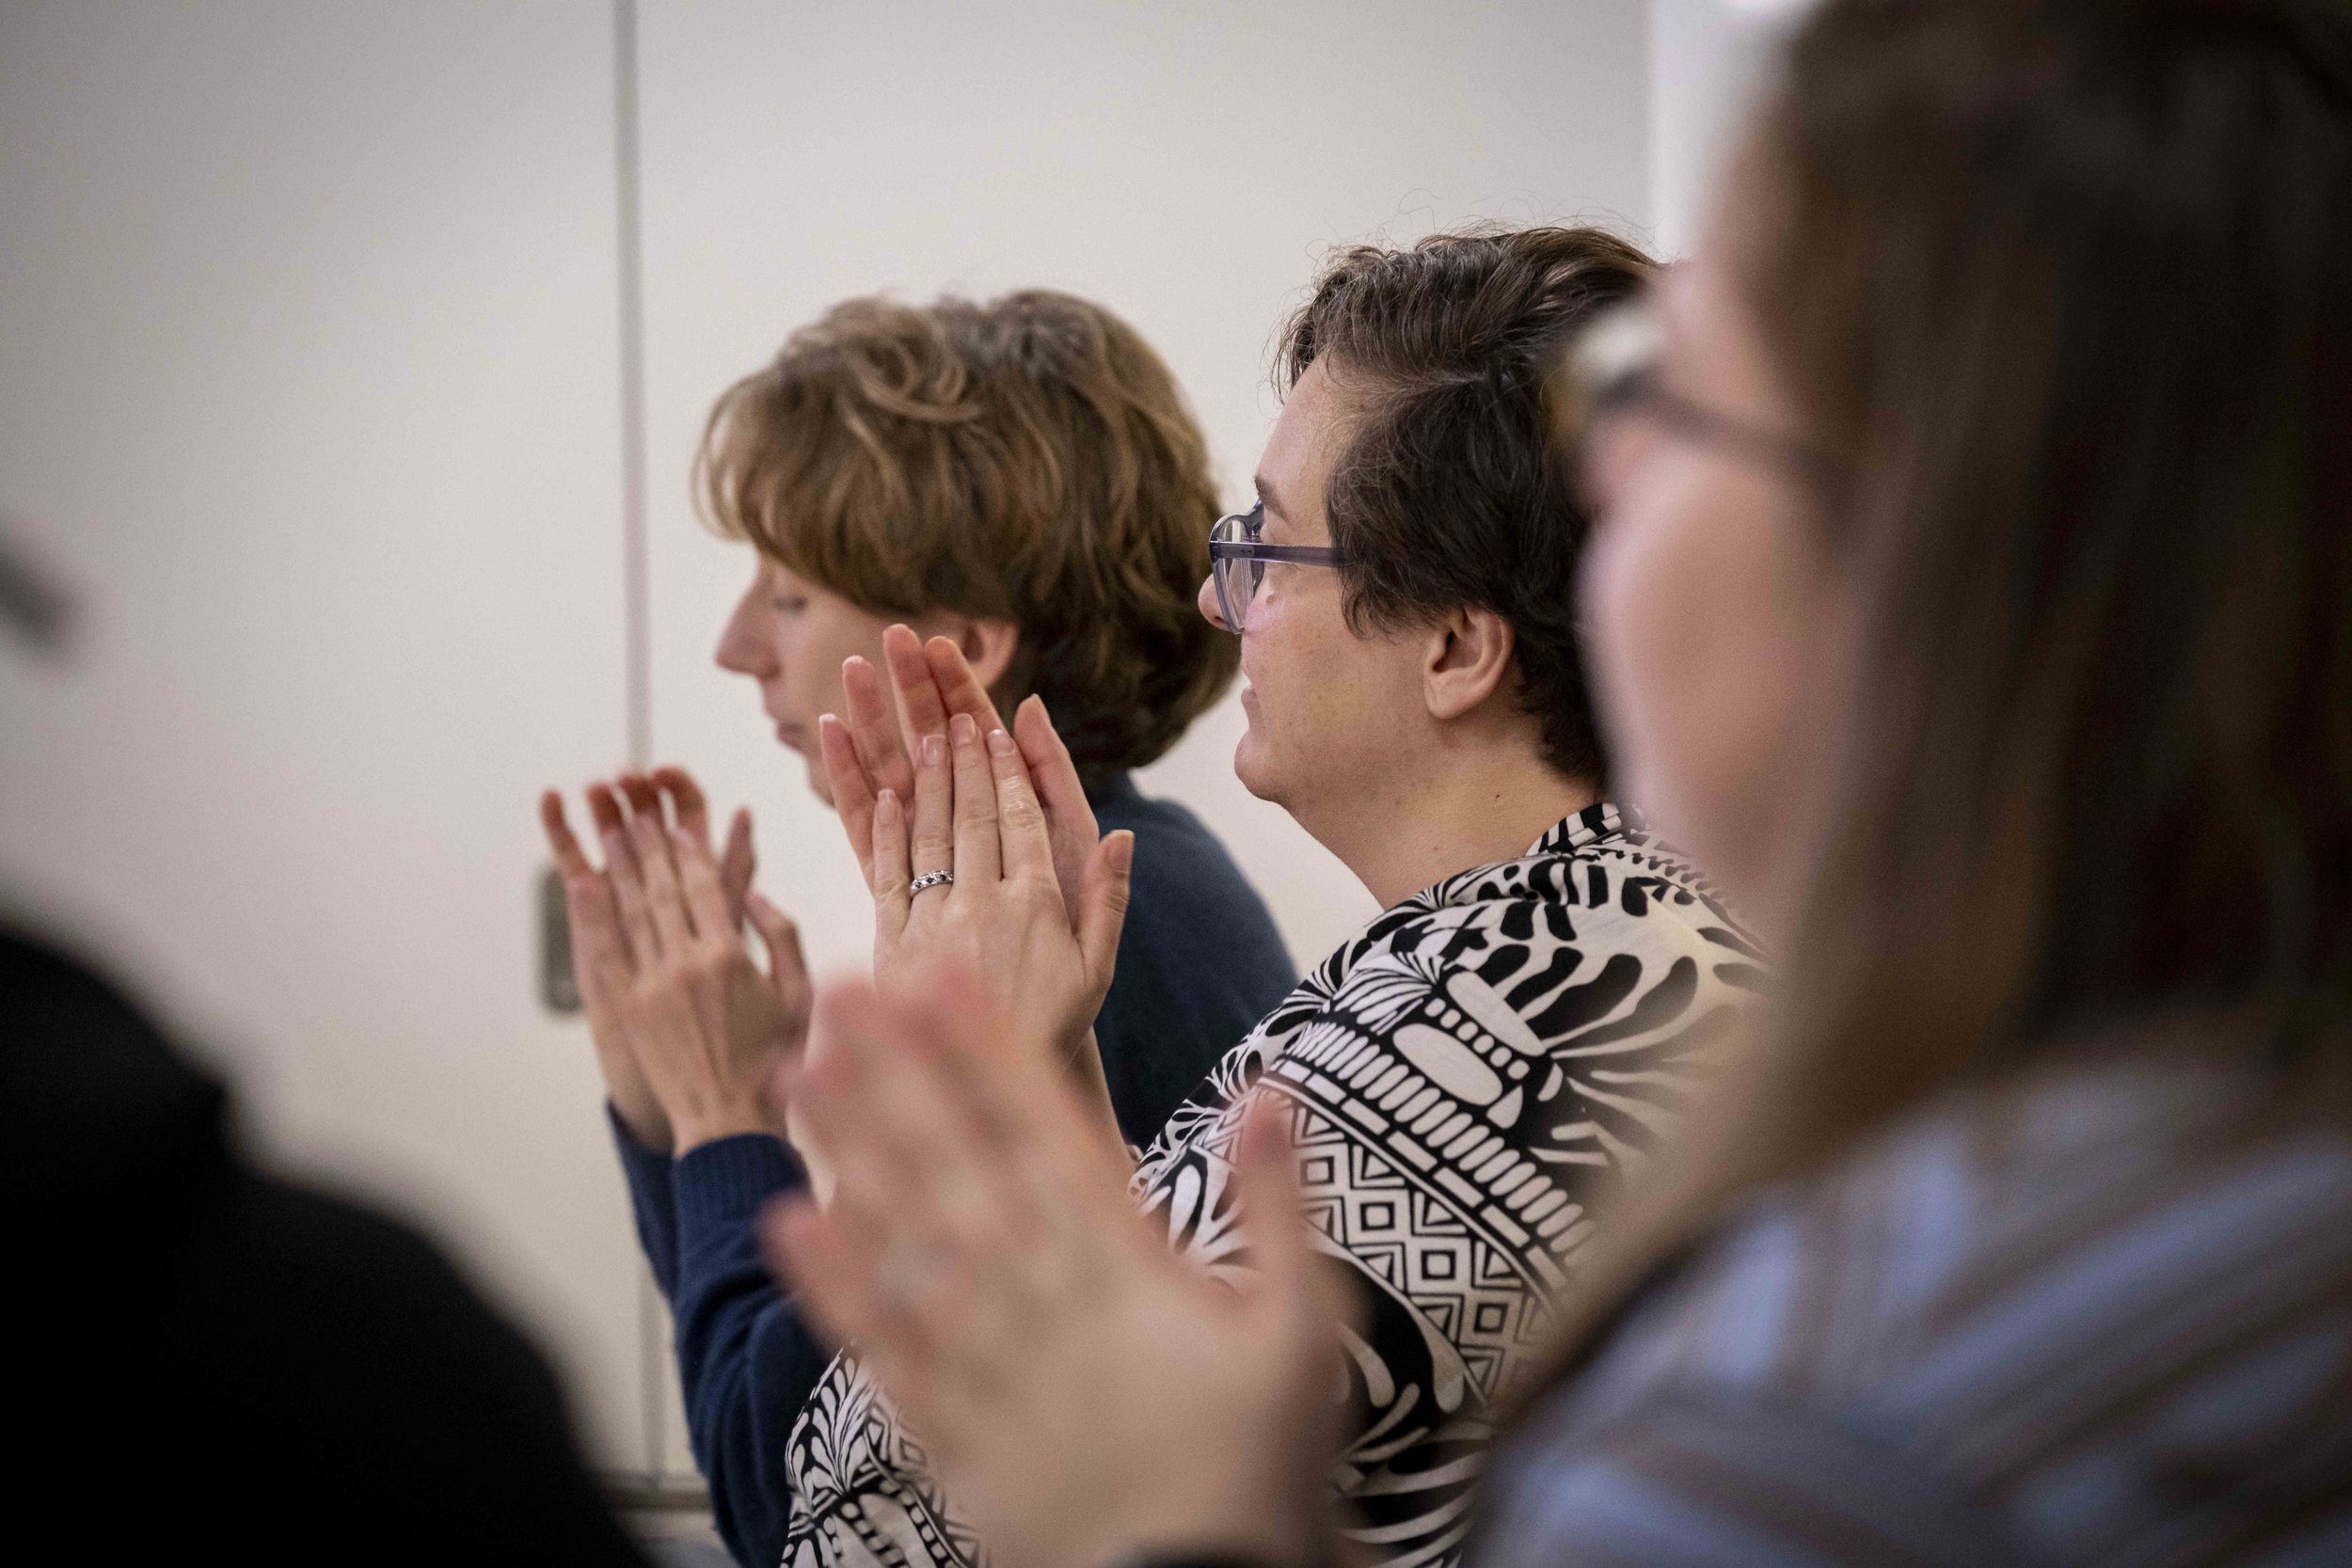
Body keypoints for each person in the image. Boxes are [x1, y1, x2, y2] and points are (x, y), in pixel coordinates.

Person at [759, 1, 2352, 1564]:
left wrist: (718, 1128)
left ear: (1456, 643)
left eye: (1676, 412)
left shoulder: (1593, 1094)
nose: (1615, 500)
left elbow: (861, 1515)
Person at [747, 226, 1768, 1568]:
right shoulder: (1524, 952)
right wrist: (1047, 1064)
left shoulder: (1493, 1034)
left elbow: (892, 1509)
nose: (1222, 605)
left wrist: (739, 1120)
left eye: (1269, 549)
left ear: (1456, 646)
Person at [538, 290, 1295, 1568]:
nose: (734, 648)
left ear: (963, 645)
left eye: (785, 598)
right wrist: (682, 1119)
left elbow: (784, 1498)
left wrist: (720, 1119)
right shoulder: (1139, 877)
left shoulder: (1092, 942)